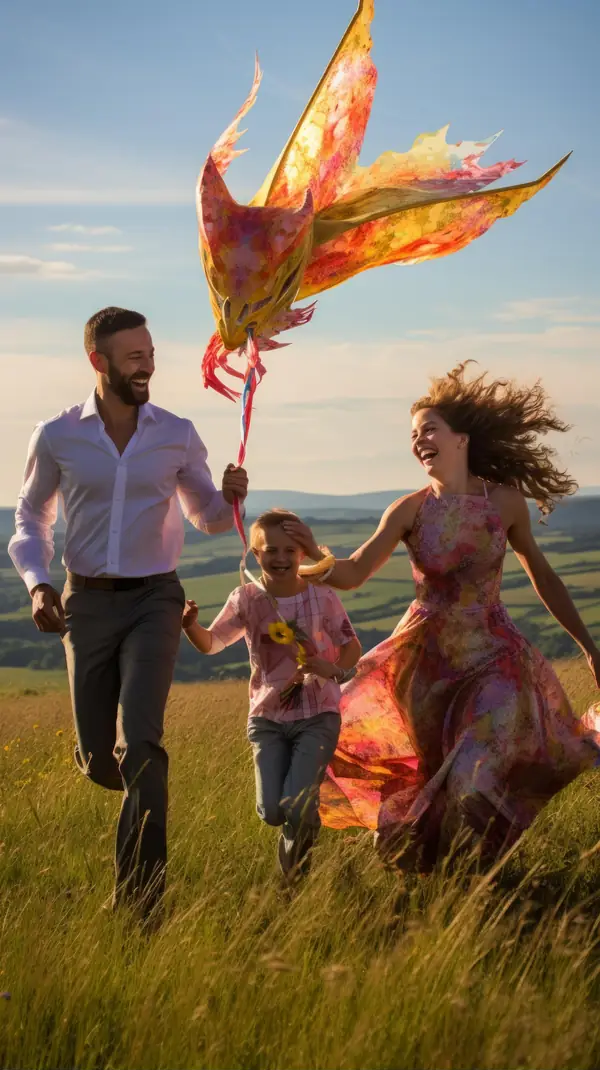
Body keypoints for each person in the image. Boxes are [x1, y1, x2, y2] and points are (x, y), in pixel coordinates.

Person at [284, 364, 600, 870]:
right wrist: (309, 557)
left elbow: (545, 577)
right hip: (425, 664)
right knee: (433, 781)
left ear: (462, 438)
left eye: (429, 429)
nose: (419, 441)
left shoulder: (505, 504)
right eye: (413, 435)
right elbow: (354, 572)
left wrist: (588, 644)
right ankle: (450, 883)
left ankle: (483, 875)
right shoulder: (408, 510)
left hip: (495, 655)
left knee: (476, 776)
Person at [8, 306, 248, 920]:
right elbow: (30, 519)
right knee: (102, 761)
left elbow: (209, 517)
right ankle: (103, 758)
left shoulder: (176, 432)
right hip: (84, 603)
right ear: (99, 360)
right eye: (134, 356)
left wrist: (233, 499)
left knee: (141, 744)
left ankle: (141, 905)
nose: (148, 366)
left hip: (155, 599)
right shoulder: (57, 435)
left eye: (150, 354)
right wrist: (38, 585)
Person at [181, 509, 361, 880]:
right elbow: (212, 643)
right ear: (255, 555)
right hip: (267, 718)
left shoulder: (322, 597)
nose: (280, 558)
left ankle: (291, 880)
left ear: (302, 555)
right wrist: (189, 626)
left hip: (319, 713)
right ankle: (306, 806)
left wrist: (335, 670)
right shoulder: (247, 599)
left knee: (294, 807)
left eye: (290, 550)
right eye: (271, 550)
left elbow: (350, 644)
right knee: (273, 812)